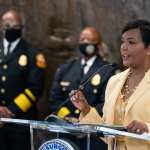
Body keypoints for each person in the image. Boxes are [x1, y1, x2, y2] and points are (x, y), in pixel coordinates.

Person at [70, 19, 150, 150]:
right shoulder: (114, 81)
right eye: (122, 41)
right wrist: (86, 109)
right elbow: (107, 132)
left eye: (131, 42)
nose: (123, 47)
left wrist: (147, 128)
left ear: (148, 48)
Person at [49, 26, 119, 150]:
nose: (85, 43)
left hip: (93, 136)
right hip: (67, 132)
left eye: (89, 40)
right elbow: (55, 99)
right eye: (82, 39)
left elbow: (107, 103)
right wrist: (68, 117)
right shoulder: (66, 68)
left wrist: (84, 119)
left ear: (98, 44)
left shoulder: (107, 70)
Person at [0, 10, 46, 150]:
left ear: (22, 27)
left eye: (15, 25)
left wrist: (9, 110)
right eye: (7, 24)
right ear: (1, 26)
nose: (10, 28)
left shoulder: (33, 54)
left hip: (20, 121)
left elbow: (35, 88)